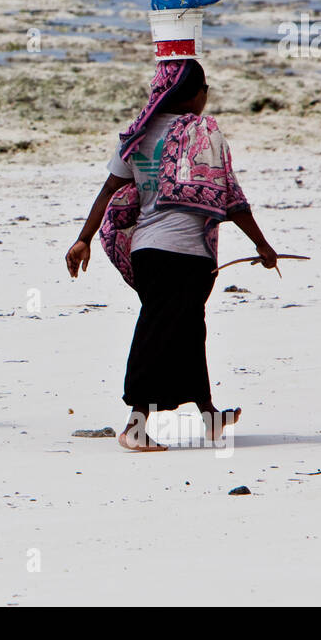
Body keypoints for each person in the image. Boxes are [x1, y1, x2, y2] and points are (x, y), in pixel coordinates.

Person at [65, 59, 278, 452]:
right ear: (195, 94)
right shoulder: (204, 135)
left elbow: (109, 188)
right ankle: (135, 425)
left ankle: (209, 414)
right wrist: (262, 245)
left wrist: (84, 239)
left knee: (187, 332)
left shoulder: (136, 136)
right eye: (204, 89)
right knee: (158, 333)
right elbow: (232, 200)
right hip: (185, 255)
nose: (205, 97)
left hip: (147, 252)